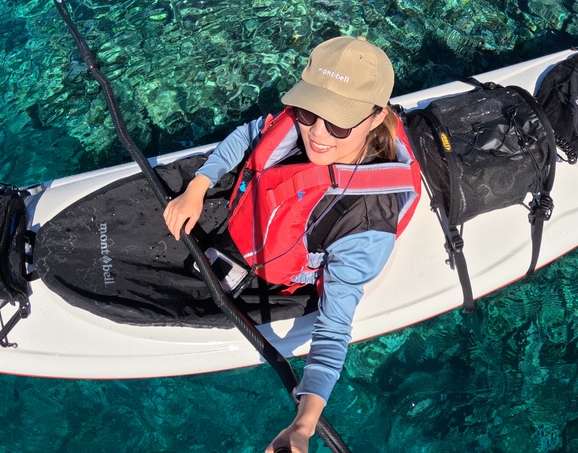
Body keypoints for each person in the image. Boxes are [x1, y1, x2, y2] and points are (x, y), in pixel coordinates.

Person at [163, 36, 421, 453]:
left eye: (338, 123)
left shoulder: (366, 225)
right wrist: (199, 184)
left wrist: (304, 424)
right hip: (249, 223)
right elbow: (251, 133)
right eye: (308, 111)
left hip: (279, 271)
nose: (317, 133)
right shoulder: (311, 128)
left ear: (376, 117)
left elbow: (334, 329)